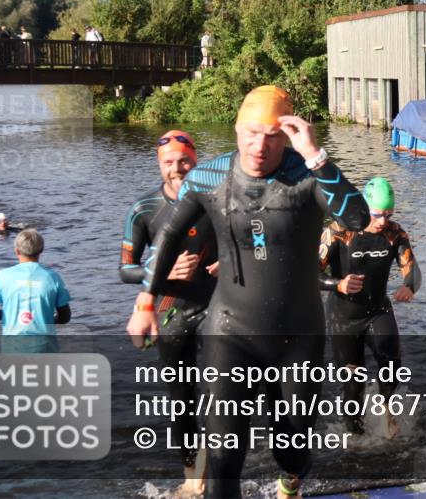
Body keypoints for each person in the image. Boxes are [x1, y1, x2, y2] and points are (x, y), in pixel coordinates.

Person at [126, 85, 370, 499]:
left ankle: (290, 483)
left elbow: (358, 217)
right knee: (223, 456)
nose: (260, 146)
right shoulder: (209, 175)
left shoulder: (307, 175)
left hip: (298, 337)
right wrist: (146, 301)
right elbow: (167, 234)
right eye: (252, 133)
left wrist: (315, 154)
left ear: (289, 136)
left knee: (290, 449)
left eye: (273, 136)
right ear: (237, 130)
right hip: (230, 330)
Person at [121, 129, 218, 495]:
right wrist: (159, 271)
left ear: (197, 160)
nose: (177, 168)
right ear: (158, 164)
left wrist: (228, 261)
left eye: (184, 161)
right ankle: (191, 478)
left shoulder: (216, 201)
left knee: (219, 393)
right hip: (171, 313)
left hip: (218, 307)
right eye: (168, 163)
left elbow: (249, 241)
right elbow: (124, 269)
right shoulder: (145, 209)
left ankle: (207, 479)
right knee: (182, 402)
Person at [318, 176, 421, 438]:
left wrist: (409, 286)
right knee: (353, 382)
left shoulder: (395, 234)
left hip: (377, 311)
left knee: (392, 366)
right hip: (344, 318)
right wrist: (338, 283)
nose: (383, 221)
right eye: (377, 214)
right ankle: (356, 438)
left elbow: (412, 269)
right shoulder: (338, 231)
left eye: (388, 213)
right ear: (364, 208)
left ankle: (386, 409)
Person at [0, 228, 71, 353]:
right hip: (45, 348)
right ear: (41, 250)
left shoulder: (2, 276)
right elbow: (65, 317)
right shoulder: (52, 277)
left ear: (16, 251)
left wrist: (6, 313)